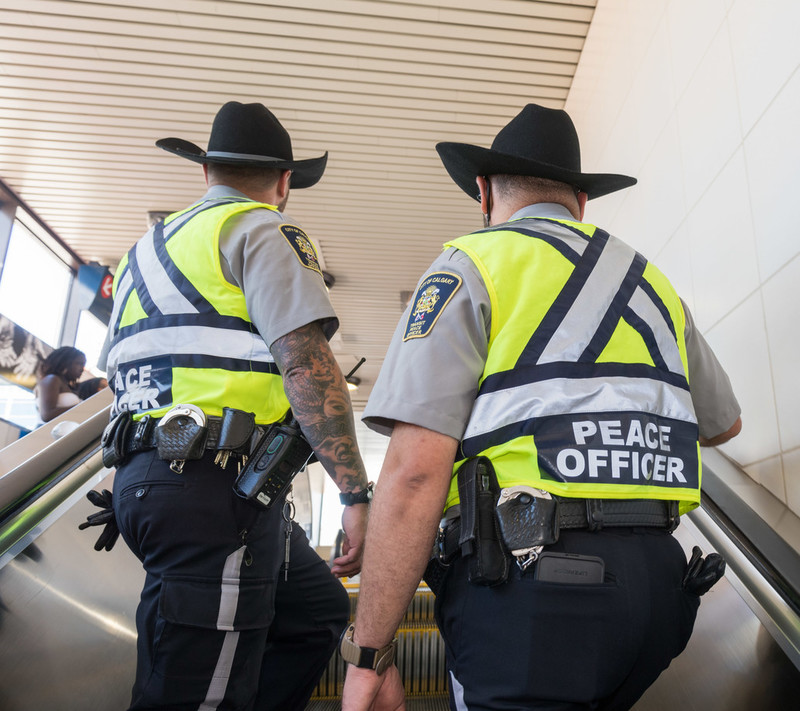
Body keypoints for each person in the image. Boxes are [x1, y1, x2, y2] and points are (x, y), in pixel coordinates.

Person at [341, 104, 742, 711]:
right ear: (582, 201)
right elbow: (724, 425)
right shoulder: (653, 284)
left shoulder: (471, 265)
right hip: (664, 592)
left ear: (482, 192)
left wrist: (370, 655)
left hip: (533, 599)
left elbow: (415, 470)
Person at [97, 101, 371, 711]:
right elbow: (307, 364)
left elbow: (125, 380)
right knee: (198, 694)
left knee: (313, 609)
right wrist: (355, 494)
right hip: (214, 492)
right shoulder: (264, 228)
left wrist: (128, 481)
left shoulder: (141, 252)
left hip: (154, 483)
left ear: (206, 174)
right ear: (285, 181)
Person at [34, 346, 86, 422]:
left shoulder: (66, 384)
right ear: (65, 362)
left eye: (83, 365)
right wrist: (83, 407)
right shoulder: (52, 379)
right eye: (79, 364)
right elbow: (47, 415)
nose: (82, 369)